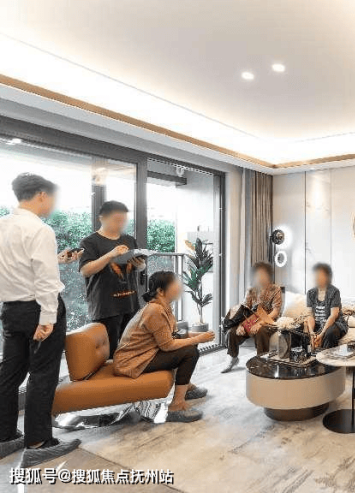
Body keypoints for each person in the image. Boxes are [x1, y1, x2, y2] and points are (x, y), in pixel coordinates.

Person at [0, 173, 82, 467]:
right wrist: (47, 318)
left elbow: (16, 266)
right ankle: (38, 443)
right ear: (41, 195)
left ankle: (4, 436)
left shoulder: (3, 225)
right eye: (53, 198)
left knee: (9, 374)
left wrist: (56, 259)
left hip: (11, 311)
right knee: (42, 374)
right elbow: (46, 282)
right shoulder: (40, 229)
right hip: (38, 310)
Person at [113, 271, 214, 423]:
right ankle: (176, 406)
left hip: (146, 353)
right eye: (175, 284)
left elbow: (174, 335)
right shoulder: (155, 310)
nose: (179, 287)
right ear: (160, 291)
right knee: (190, 352)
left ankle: (186, 387)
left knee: (191, 343)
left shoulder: (164, 307)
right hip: (130, 361)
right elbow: (168, 345)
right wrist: (198, 338)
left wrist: (197, 336)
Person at [79, 201, 145, 358]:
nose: (121, 223)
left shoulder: (129, 240)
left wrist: (140, 265)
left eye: (123, 220)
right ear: (102, 218)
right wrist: (111, 255)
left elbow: (140, 267)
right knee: (109, 355)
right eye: (117, 219)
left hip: (130, 304)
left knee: (131, 351)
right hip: (106, 307)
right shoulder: (89, 242)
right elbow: (85, 270)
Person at [222, 262, 283, 372]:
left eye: (263, 274)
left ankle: (262, 360)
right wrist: (241, 325)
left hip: (268, 321)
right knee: (232, 332)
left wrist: (260, 323)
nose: (260, 277)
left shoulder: (275, 289)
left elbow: (275, 312)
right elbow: (244, 310)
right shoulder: (251, 290)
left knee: (261, 331)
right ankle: (232, 357)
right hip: (251, 321)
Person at [306, 263, 348, 349]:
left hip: (334, 323)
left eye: (320, 275)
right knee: (296, 331)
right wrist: (311, 333)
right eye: (315, 275)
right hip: (317, 324)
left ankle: (326, 357)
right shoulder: (310, 293)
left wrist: (322, 334)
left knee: (329, 334)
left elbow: (333, 316)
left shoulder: (334, 292)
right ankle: (303, 357)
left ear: (327, 277)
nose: (317, 277)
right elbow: (310, 315)